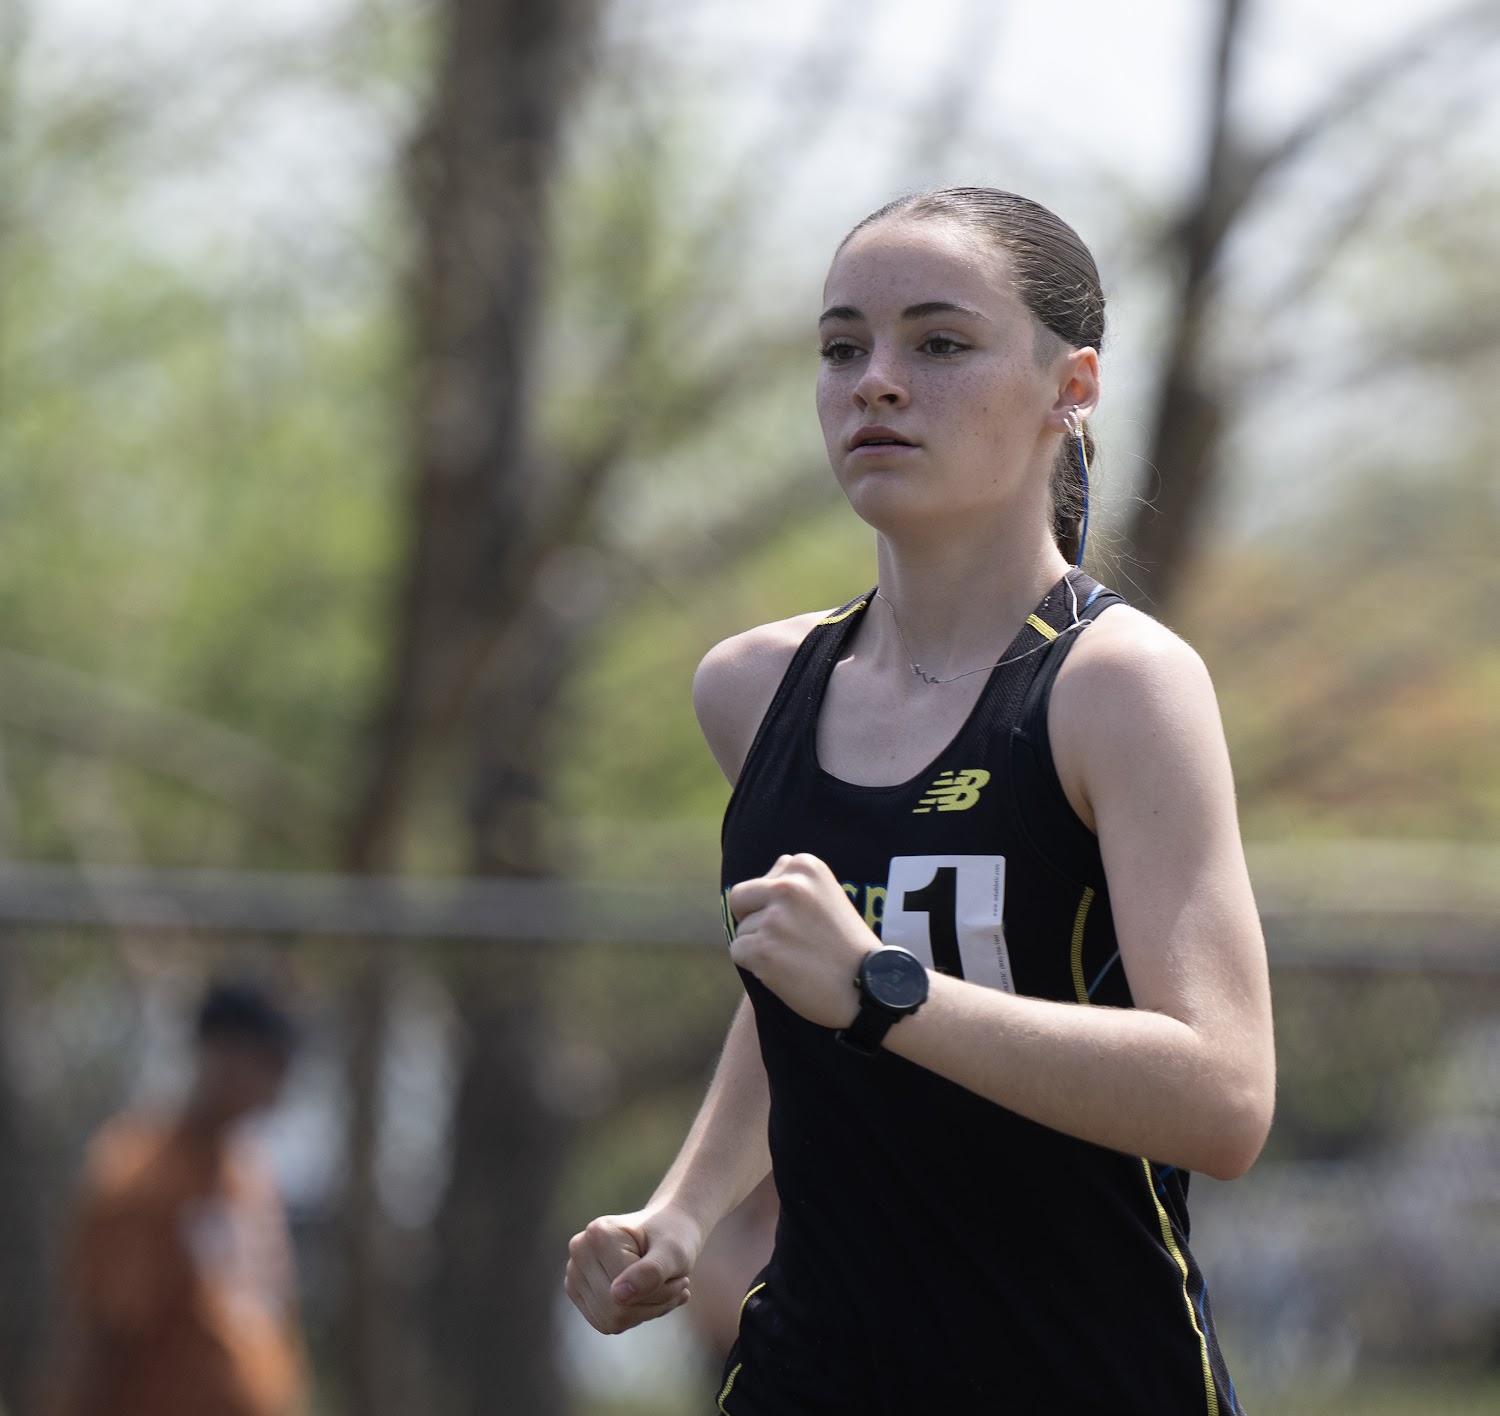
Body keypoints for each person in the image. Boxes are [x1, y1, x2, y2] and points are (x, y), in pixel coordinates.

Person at [565, 187, 1275, 1413]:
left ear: (1072, 388)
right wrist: (683, 1207)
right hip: (811, 1373)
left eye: (939, 343)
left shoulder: (1117, 687)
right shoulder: (752, 688)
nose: (878, 384)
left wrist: (887, 991)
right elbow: (796, 990)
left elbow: (1223, 1097)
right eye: (843, 348)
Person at [47, 980, 307, 1416]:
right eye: (268, 1062)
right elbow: (102, 1335)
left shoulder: (249, 1174)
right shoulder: (140, 1172)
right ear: (222, 1054)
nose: (279, 1082)